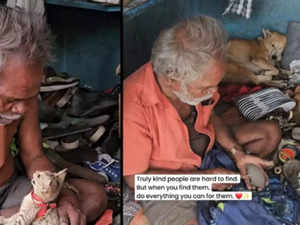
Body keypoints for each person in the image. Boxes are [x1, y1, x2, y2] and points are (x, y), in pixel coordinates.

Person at [123, 16, 281, 225]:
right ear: (172, 80)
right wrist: (203, 181)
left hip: (203, 154)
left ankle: (230, 187)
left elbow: (211, 114)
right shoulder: (133, 105)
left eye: (216, 84)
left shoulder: (194, 82)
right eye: (206, 88)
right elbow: (137, 181)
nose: (214, 92)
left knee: (270, 133)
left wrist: (237, 153)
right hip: (168, 180)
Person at [0, 6, 107, 225]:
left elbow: (34, 156)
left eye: (29, 96)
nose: (22, 108)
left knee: (92, 195)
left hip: (13, 190)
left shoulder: (23, 101)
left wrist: (61, 194)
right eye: (12, 99)